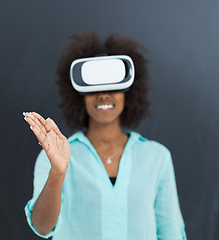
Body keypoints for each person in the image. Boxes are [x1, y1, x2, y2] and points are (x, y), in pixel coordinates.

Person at [23, 32, 187, 240]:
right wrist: (58, 171)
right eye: (94, 87)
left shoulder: (156, 157)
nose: (103, 95)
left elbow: (170, 233)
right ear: (78, 95)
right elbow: (43, 227)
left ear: (130, 90)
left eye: (112, 85)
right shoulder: (53, 155)